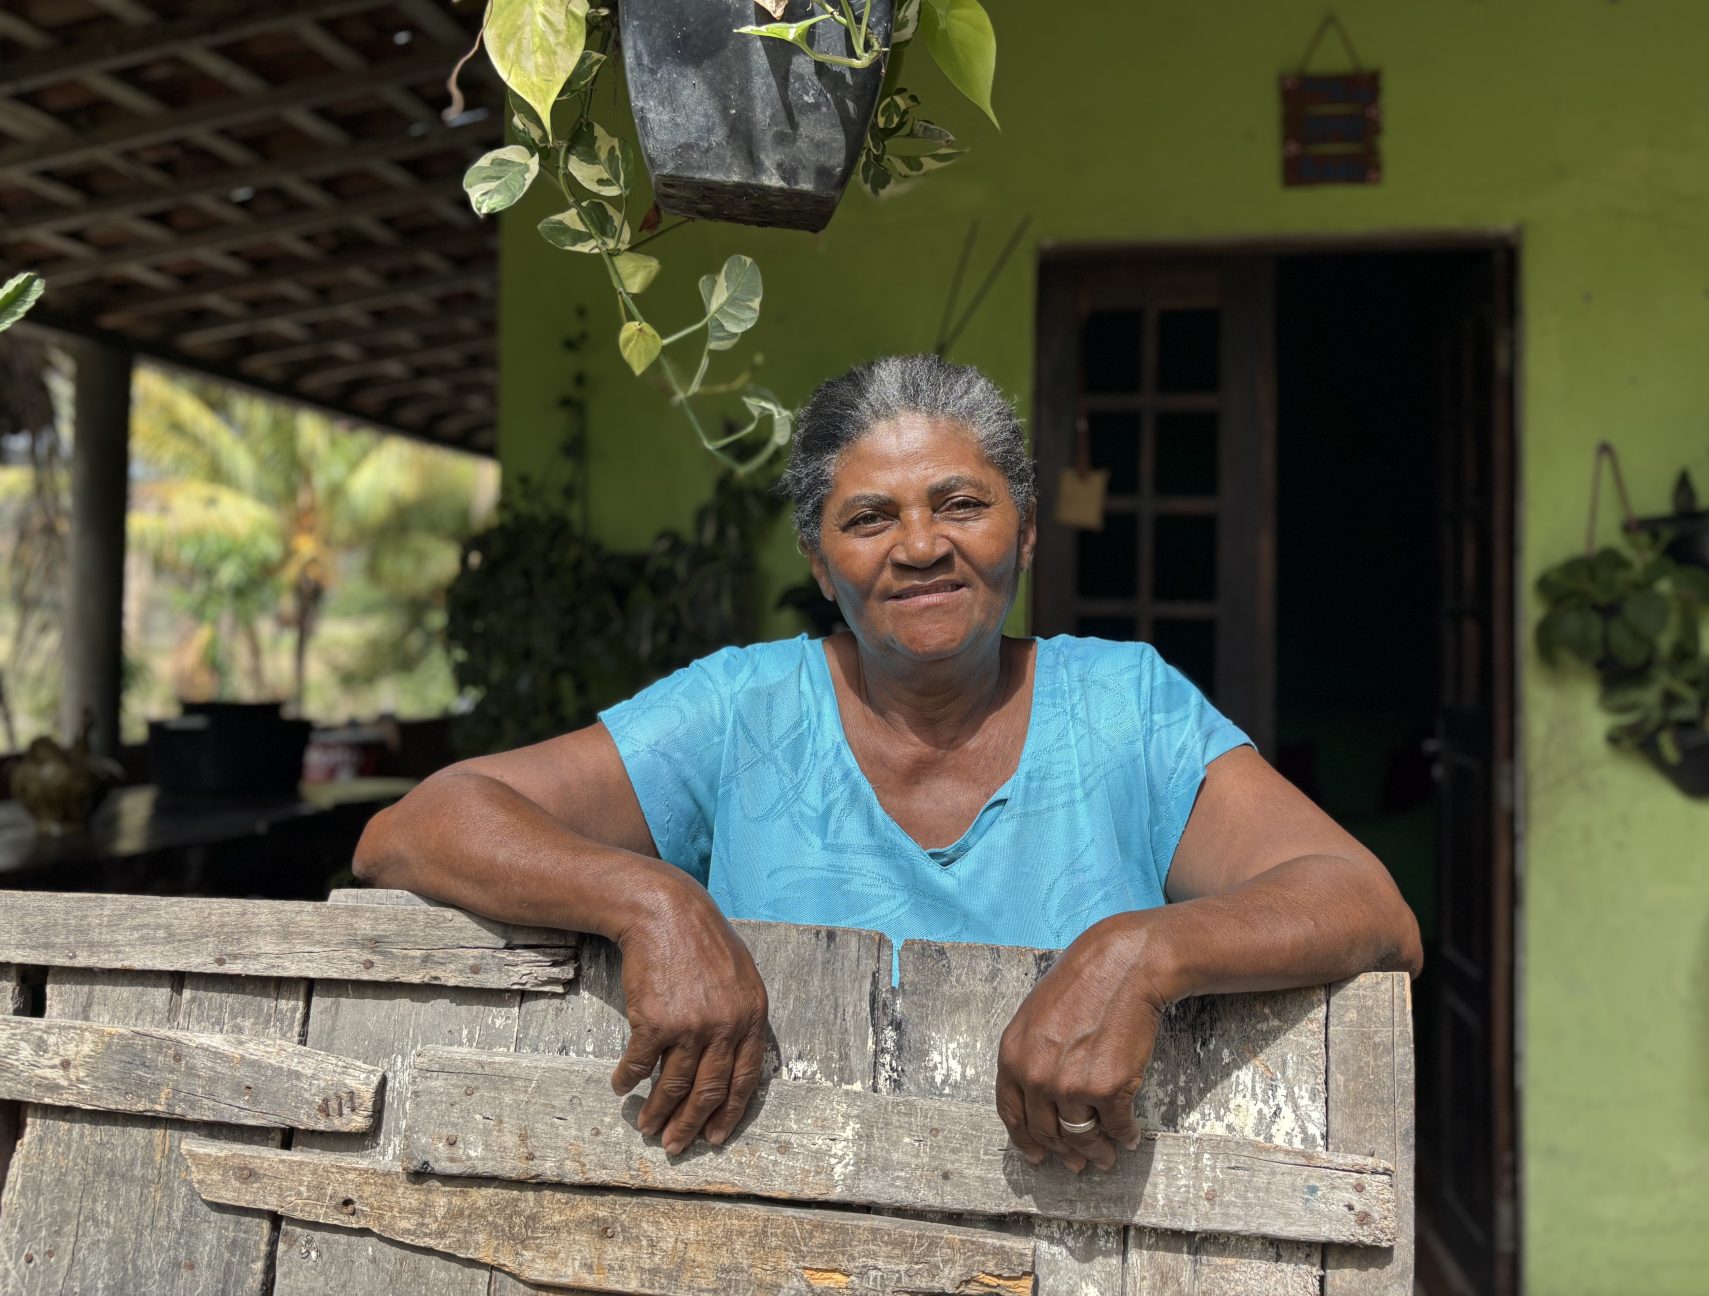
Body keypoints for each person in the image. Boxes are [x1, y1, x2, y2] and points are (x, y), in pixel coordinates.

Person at [353, 354, 1421, 1175]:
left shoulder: (1124, 708)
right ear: (820, 562)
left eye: (962, 503)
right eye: (869, 518)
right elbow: (418, 826)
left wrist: (1147, 952)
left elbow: (1368, 906)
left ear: (1028, 532)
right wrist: (650, 901)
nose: (920, 545)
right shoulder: (744, 709)